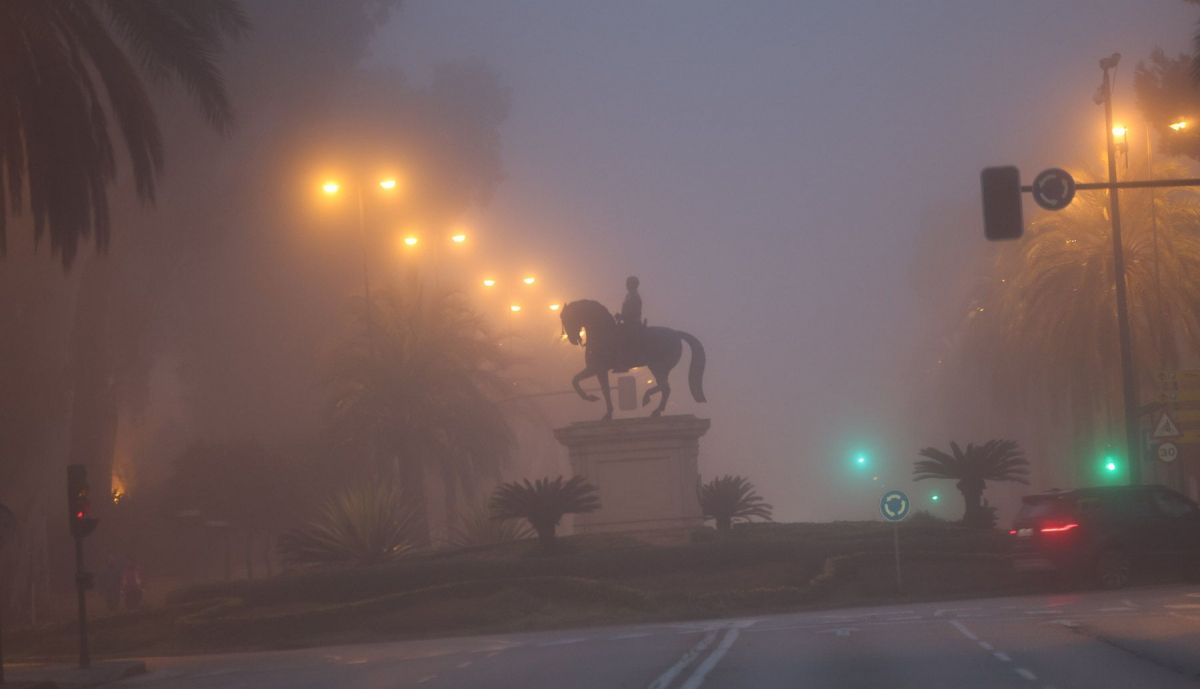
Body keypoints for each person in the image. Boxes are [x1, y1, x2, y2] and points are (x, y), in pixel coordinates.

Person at [614, 276, 644, 371]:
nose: (628, 285)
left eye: (630, 283)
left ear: (634, 285)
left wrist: (623, 317)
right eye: (628, 283)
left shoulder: (635, 296)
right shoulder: (629, 296)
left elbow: (635, 312)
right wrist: (621, 316)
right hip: (627, 322)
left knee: (623, 338)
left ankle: (626, 361)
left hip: (633, 323)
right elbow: (626, 311)